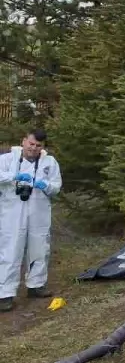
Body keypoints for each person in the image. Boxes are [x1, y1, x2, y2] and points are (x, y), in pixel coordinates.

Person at [0, 129, 62, 312]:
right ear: (24, 141)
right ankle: (5, 293)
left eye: (38, 145)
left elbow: (56, 187)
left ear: (43, 146)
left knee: (40, 248)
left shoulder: (49, 162)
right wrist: (14, 176)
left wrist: (45, 185)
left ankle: (36, 285)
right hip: (12, 213)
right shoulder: (7, 159)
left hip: (39, 211)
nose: (34, 148)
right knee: (10, 250)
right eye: (31, 143)